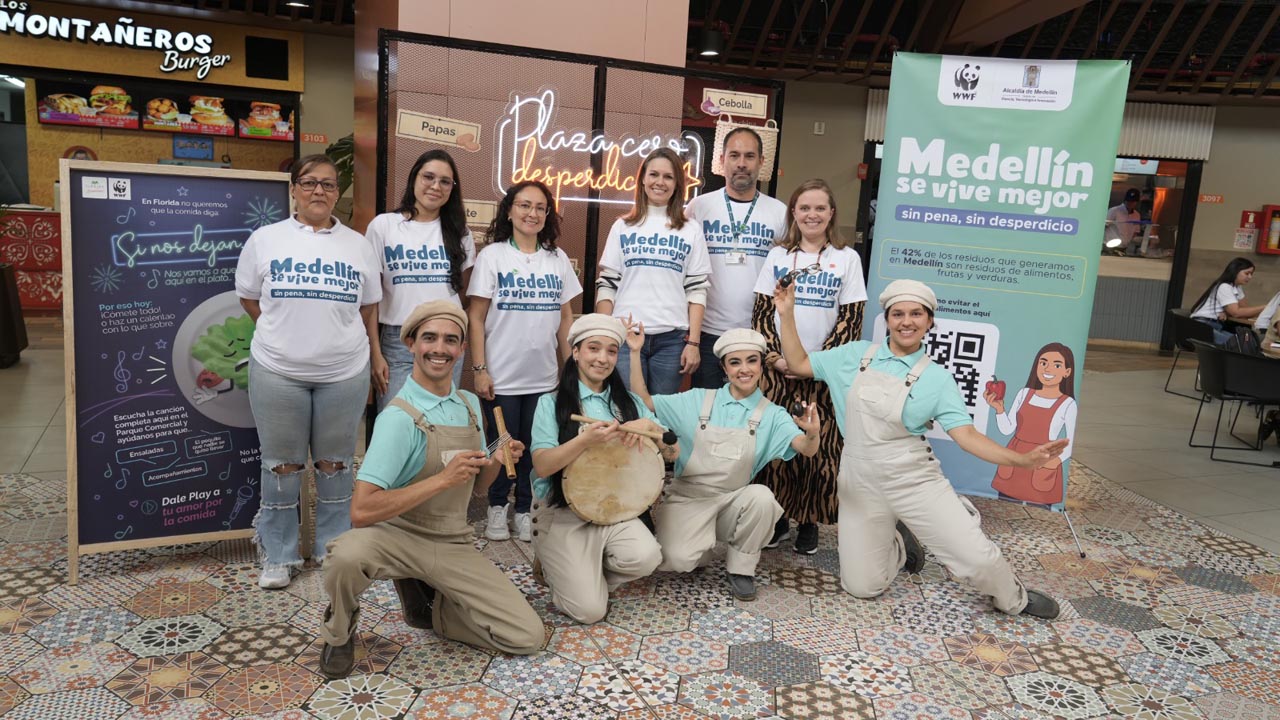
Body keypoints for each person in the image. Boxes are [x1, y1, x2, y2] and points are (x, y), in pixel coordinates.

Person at [773, 277, 1065, 620]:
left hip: (912, 477)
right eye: (898, 314)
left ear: (929, 322)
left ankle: (1014, 598)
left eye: (916, 314)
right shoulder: (853, 356)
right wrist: (787, 313)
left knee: (977, 559)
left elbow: (968, 436)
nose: (906, 321)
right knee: (862, 586)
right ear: (887, 319)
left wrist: (1022, 460)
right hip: (859, 478)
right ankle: (898, 543)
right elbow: (799, 364)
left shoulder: (937, 379)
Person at [318, 301, 542, 679]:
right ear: (410, 344)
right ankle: (338, 630)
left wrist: (494, 462)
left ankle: (427, 606)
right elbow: (361, 511)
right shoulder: (397, 419)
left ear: (461, 350)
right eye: (429, 338)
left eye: (450, 340)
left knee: (526, 636)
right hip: (395, 536)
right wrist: (442, 478)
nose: (440, 348)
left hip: (451, 541)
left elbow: (477, 490)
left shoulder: (470, 405)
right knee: (345, 557)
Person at [234, 154, 381, 590]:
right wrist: (283, 334)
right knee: (282, 465)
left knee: (335, 465)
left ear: (338, 193)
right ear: (294, 189)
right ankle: (278, 554)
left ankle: (333, 550)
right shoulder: (265, 239)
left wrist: (374, 355)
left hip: (344, 371)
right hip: (278, 370)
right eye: (310, 183)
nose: (319, 191)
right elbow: (248, 298)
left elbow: (369, 306)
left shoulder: (357, 245)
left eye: (329, 185)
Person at [626, 323, 821, 600]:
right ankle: (699, 546)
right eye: (735, 362)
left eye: (752, 361)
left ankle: (741, 569)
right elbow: (644, 401)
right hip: (688, 498)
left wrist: (812, 433)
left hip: (733, 500)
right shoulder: (698, 400)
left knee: (762, 497)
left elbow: (806, 449)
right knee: (677, 560)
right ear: (724, 368)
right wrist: (635, 353)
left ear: (761, 366)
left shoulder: (772, 414)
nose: (745, 369)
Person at [529, 314, 674, 623]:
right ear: (576, 352)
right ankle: (561, 569)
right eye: (593, 348)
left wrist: (649, 425)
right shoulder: (551, 403)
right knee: (590, 612)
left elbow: (674, 450)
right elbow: (542, 466)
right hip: (562, 512)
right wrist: (585, 442)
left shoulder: (630, 402)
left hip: (614, 509)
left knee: (647, 557)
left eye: (611, 351)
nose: (603, 358)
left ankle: (581, 575)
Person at [751, 179, 866, 554]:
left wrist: (815, 366)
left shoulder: (847, 258)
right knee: (779, 444)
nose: (812, 215)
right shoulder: (777, 257)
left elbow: (851, 320)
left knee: (820, 451)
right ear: (794, 214)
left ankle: (809, 522)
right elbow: (762, 314)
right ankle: (778, 518)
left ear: (831, 213)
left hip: (823, 375)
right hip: (779, 372)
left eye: (819, 208)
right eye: (804, 208)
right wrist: (778, 359)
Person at [467, 181, 582, 543]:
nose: (532, 214)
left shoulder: (557, 258)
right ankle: (497, 508)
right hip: (501, 376)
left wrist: (570, 370)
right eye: (524, 206)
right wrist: (480, 368)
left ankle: (525, 509)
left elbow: (566, 318)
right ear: (509, 211)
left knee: (536, 448)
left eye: (540, 208)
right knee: (502, 447)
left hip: (544, 378)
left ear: (547, 215)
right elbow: (476, 317)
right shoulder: (494, 256)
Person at [366, 149, 476, 411]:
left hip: (446, 338)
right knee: (396, 420)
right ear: (414, 178)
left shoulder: (460, 232)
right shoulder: (384, 226)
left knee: (439, 420)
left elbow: (464, 295)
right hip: (398, 339)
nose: (436, 186)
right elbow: (371, 298)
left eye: (445, 181)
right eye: (428, 177)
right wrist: (375, 354)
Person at [596, 148, 711, 395]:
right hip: (626, 336)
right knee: (628, 413)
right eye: (654, 174)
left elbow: (697, 291)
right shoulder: (623, 226)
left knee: (660, 415)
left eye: (668, 176)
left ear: (678, 183)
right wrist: (605, 334)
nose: (660, 182)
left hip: (672, 341)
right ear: (643, 180)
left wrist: (693, 342)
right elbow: (607, 285)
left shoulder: (691, 230)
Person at [684, 128, 788, 389]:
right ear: (722, 161)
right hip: (708, 333)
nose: (742, 163)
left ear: (762, 162)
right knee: (706, 412)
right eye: (734, 155)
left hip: (760, 334)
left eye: (750, 156)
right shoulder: (699, 208)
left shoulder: (779, 212)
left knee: (753, 415)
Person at [986, 343, 1078, 506]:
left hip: (1041, 461)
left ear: (1067, 372)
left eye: (1057, 365)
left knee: (1038, 508)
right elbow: (1007, 429)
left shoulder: (1068, 404)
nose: (1048, 369)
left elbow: (1070, 443)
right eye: (1043, 363)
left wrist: (1052, 463)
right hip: (1015, 458)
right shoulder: (1024, 393)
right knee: (1005, 505)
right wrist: (999, 410)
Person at [1190, 257, 1266, 345]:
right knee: (1242, 344)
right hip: (1203, 326)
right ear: (1235, 271)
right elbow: (1236, 313)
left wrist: (1227, 313)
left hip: (1216, 325)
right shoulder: (1224, 286)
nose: (1250, 277)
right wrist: (1266, 307)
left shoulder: (1237, 287)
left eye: (1251, 274)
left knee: (1247, 342)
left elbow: (1245, 310)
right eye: (1247, 273)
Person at [1104, 188, 1141, 255]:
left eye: (1133, 201)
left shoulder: (1137, 215)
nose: (1130, 203)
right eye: (1128, 201)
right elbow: (1104, 226)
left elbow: (1136, 231)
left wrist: (1130, 243)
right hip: (1109, 247)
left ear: (1136, 202)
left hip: (1124, 248)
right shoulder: (1114, 211)